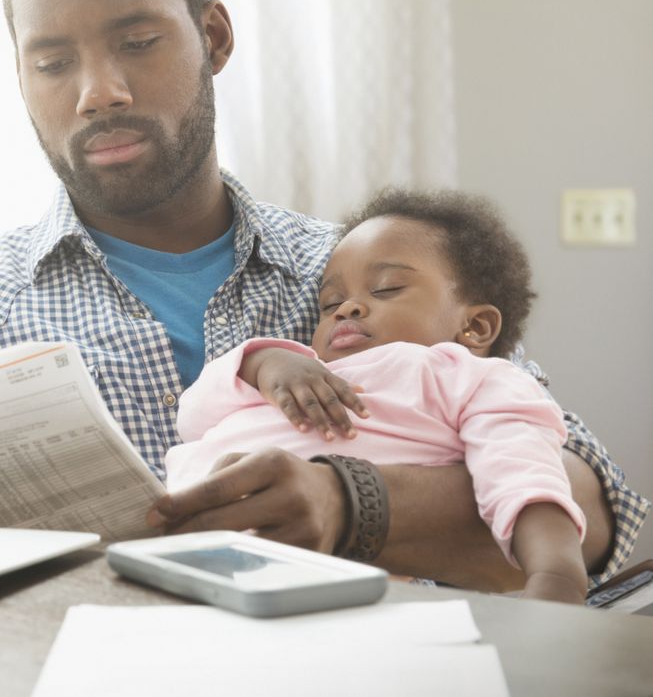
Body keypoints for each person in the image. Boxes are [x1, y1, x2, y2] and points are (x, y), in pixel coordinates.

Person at [0, 0, 647, 592]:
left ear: (211, 34)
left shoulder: (372, 278)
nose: (98, 91)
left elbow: (599, 507)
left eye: (137, 40)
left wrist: (351, 501)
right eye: (52, 61)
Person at [165, 188, 588, 602]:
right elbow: (193, 420)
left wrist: (557, 574)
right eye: (330, 304)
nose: (347, 309)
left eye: (385, 289)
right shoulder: (304, 369)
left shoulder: (472, 378)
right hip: (168, 553)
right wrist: (263, 363)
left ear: (475, 327)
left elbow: (523, 472)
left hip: (306, 579)